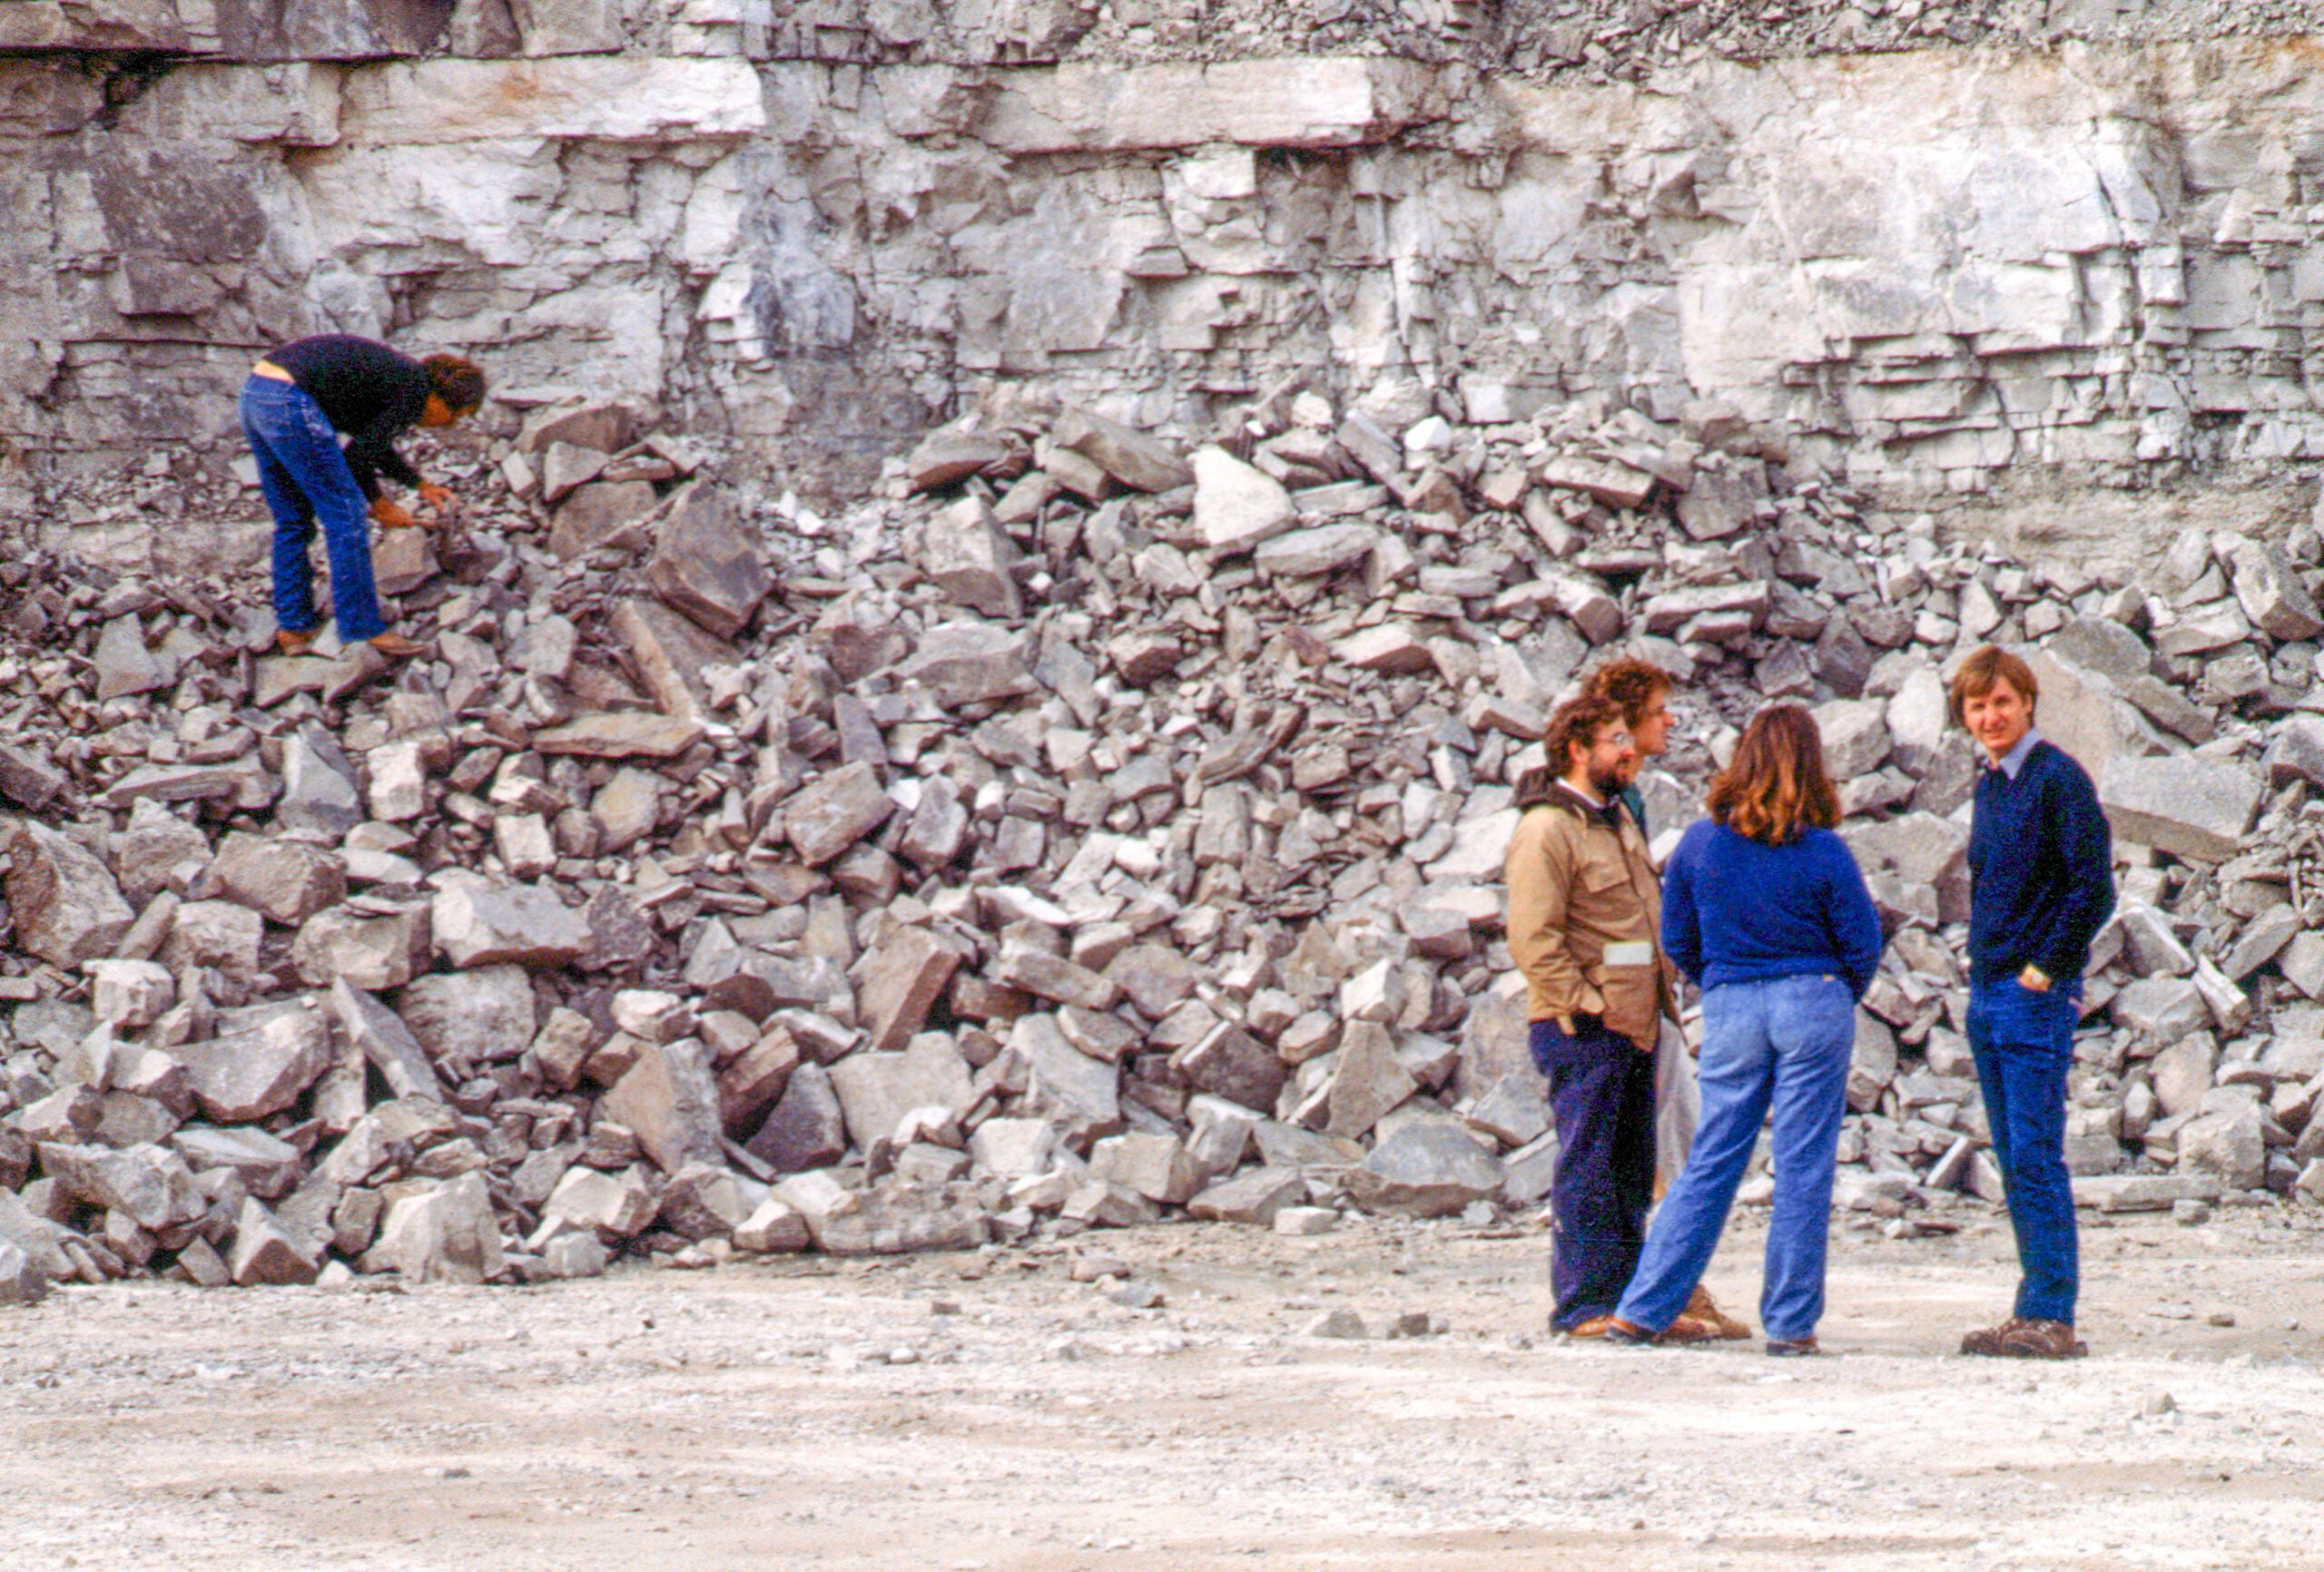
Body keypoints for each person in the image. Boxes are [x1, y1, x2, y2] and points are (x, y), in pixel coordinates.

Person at [1603, 705, 1884, 1356]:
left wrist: (1724, 981)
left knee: (1712, 1158)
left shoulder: (1701, 844)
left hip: (1731, 1003)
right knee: (1802, 1166)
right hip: (1812, 999)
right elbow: (1863, 944)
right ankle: (1789, 1326)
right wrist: (1834, 994)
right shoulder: (1824, 849)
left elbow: (1677, 939)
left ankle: (1641, 1310)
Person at [1506, 694, 1708, 1339]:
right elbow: (1534, 937)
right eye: (1616, 739)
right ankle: (1584, 1307)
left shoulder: (1616, 819)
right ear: (1577, 749)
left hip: (1639, 1022)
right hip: (1588, 1030)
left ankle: (1634, 1304)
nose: (1630, 750)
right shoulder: (1547, 829)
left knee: (1629, 1170)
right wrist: (1584, 1006)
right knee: (1589, 1167)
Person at [1951, 646, 2114, 1360]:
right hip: (1989, 993)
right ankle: (2032, 1306)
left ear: (2028, 703)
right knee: (2015, 1155)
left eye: (2002, 703)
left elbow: (2092, 888)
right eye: (1977, 707)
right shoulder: (1992, 784)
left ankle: (2053, 1311)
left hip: (2030, 997)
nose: (1991, 717)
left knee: (2037, 1155)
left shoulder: (2057, 780)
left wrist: (2045, 969)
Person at [240, 334, 486, 659]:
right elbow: (356, 459)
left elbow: (369, 445)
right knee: (347, 514)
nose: (451, 425)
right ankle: (362, 629)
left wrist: (420, 485)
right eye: (456, 416)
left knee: (293, 520)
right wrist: (382, 506)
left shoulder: (398, 380)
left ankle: (294, 627)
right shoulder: (413, 391)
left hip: (257, 392)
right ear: (441, 400)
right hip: (288, 398)